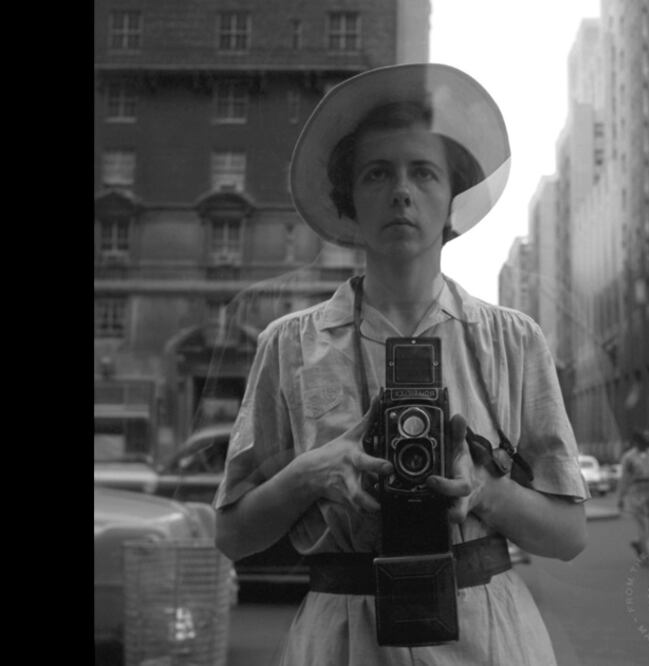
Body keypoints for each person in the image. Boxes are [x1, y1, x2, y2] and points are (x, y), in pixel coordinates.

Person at [213, 63, 590, 666]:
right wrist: (312, 473)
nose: (401, 191)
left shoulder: (512, 340)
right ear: (348, 200)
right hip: (340, 634)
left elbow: (570, 535)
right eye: (377, 173)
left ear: (450, 199)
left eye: (423, 172)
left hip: (487, 634)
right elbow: (232, 534)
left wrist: (484, 492)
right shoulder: (288, 345)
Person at [616, 431, 649, 563]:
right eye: (642, 442)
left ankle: (639, 543)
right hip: (636, 492)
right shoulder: (629, 458)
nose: (645, 445)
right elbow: (624, 479)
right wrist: (621, 497)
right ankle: (646, 554)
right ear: (636, 443)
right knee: (642, 524)